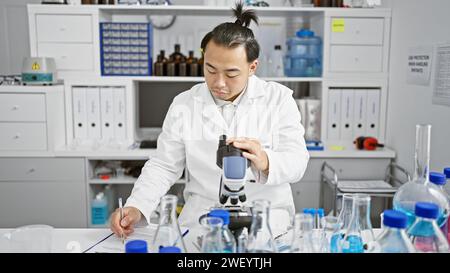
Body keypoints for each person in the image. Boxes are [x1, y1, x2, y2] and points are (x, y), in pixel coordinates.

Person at [110, 2, 309, 239]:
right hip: (201, 219)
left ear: (252, 67)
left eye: (231, 73)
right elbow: (164, 165)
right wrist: (136, 206)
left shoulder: (278, 99)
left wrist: (265, 160)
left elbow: (297, 161)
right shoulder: (185, 103)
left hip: (266, 219)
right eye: (210, 69)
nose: (219, 83)